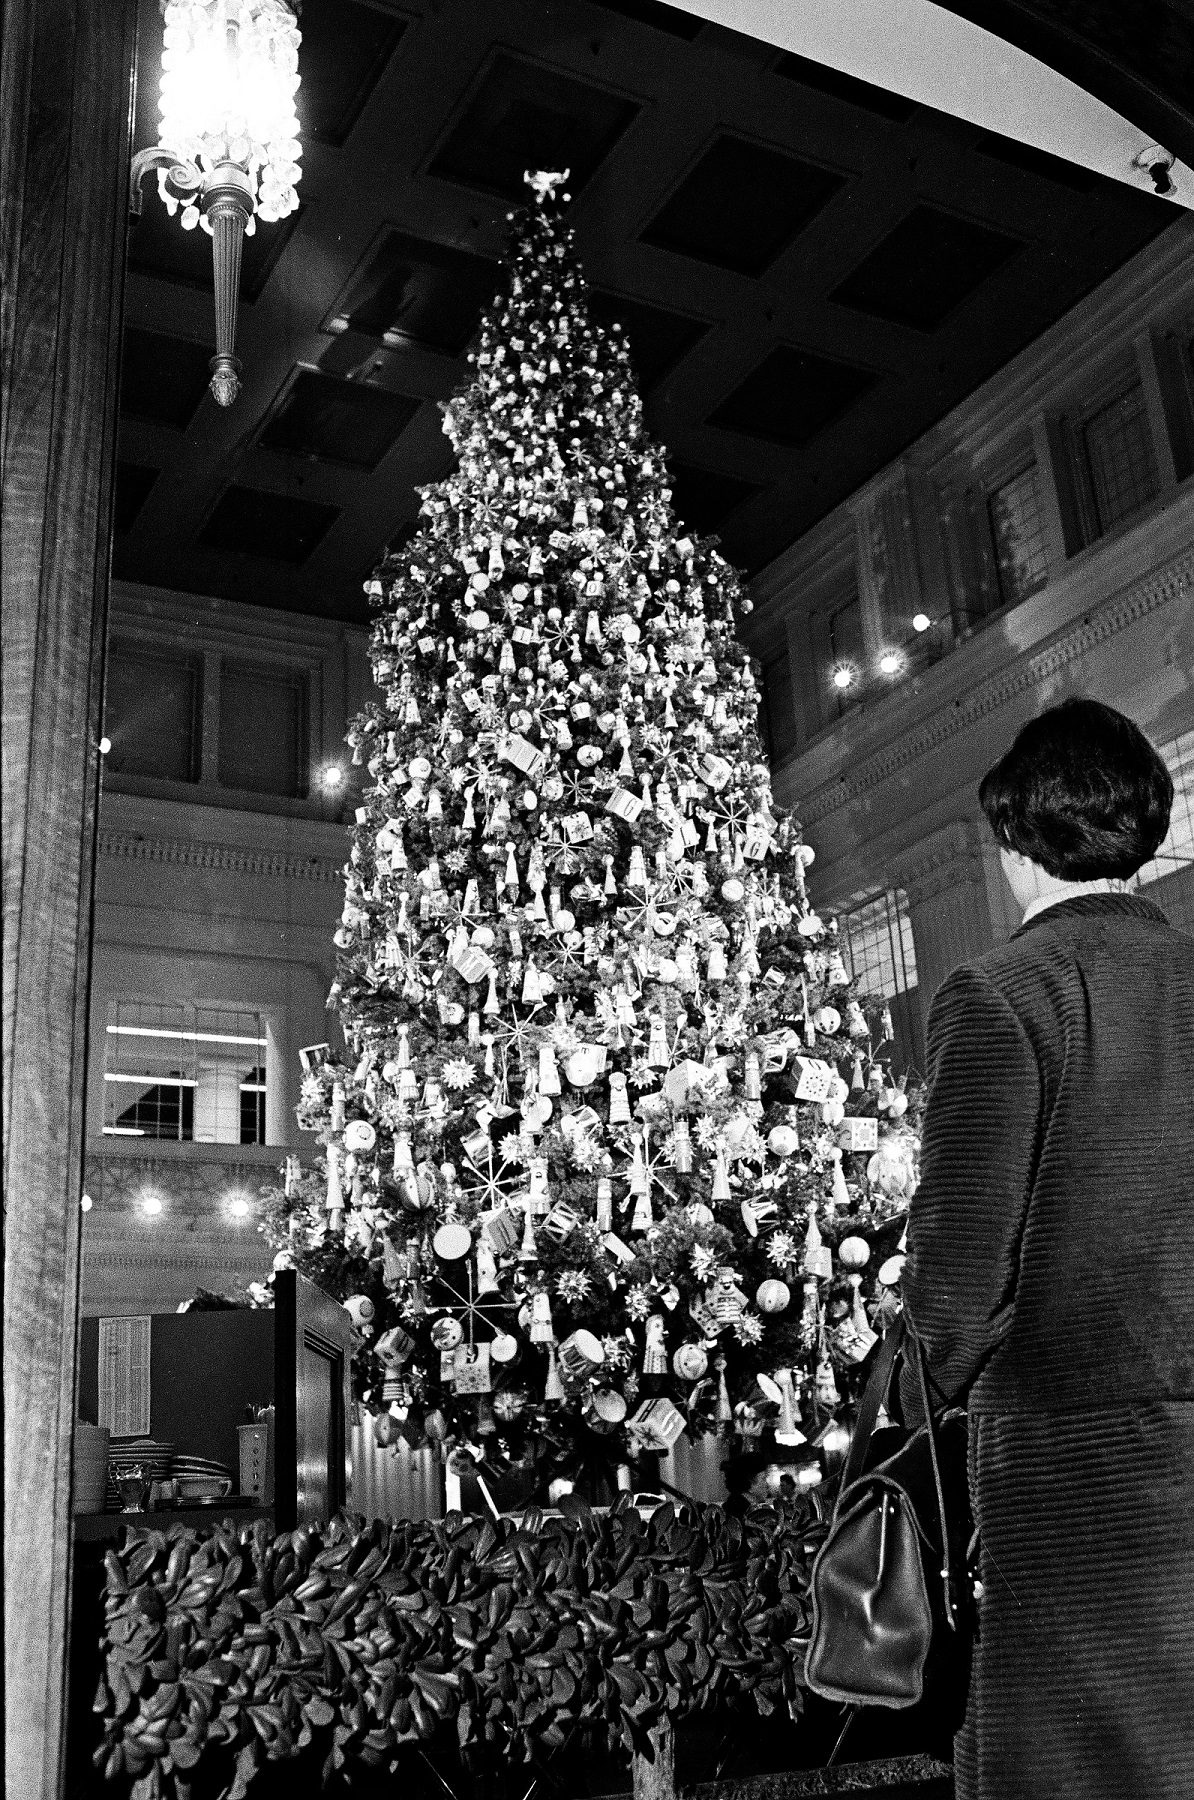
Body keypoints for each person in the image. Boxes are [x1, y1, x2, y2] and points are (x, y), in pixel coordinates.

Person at [899, 697, 1194, 1800]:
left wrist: (910, 1391)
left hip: (1078, 1474)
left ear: (1017, 844)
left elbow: (959, 1285)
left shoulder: (999, 994)